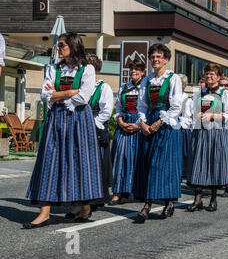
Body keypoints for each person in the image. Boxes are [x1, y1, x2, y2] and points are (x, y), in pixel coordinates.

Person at [24, 32, 103, 228]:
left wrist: (57, 95)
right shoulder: (53, 68)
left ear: (73, 46)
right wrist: (68, 92)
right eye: (58, 45)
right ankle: (44, 212)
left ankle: (85, 206)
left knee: (79, 161)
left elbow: (84, 97)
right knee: (48, 162)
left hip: (79, 120)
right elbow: (45, 94)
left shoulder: (87, 69)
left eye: (61, 45)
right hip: (56, 119)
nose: (58, 48)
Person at [133, 44, 183, 222]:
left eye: (159, 56)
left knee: (164, 164)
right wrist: (143, 122)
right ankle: (158, 201)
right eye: (153, 56)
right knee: (149, 163)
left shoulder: (173, 78)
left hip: (167, 123)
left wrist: (159, 123)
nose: (155, 59)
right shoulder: (147, 81)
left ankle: (152, 204)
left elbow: (176, 106)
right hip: (150, 119)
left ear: (166, 60)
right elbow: (142, 105)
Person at [65, 53, 114, 219]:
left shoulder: (103, 87)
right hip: (78, 128)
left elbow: (106, 111)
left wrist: (91, 124)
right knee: (78, 166)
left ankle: (91, 203)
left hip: (95, 128)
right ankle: (78, 204)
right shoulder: (78, 86)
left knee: (95, 167)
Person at [186, 63, 228, 211]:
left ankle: (213, 198)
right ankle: (197, 199)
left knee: (215, 163)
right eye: (207, 73)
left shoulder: (225, 94)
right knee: (198, 163)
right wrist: (197, 115)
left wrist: (213, 115)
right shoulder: (199, 93)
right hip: (201, 132)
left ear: (218, 77)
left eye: (212, 74)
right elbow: (191, 110)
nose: (209, 76)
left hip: (216, 132)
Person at [109, 59, 145, 205]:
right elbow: (119, 108)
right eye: (132, 69)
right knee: (120, 158)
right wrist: (120, 121)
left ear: (143, 72)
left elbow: (147, 108)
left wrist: (138, 125)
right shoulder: (124, 87)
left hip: (140, 125)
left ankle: (136, 191)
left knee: (137, 159)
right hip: (124, 125)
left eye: (137, 69)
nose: (133, 72)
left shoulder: (145, 87)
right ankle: (117, 192)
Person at [178, 74, 193, 180]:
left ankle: (182, 174)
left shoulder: (188, 100)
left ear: (185, 85)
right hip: (172, 127)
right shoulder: (171, 97)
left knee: (183, 154)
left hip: (183, 129)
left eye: (181, 83)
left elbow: (190, 118)